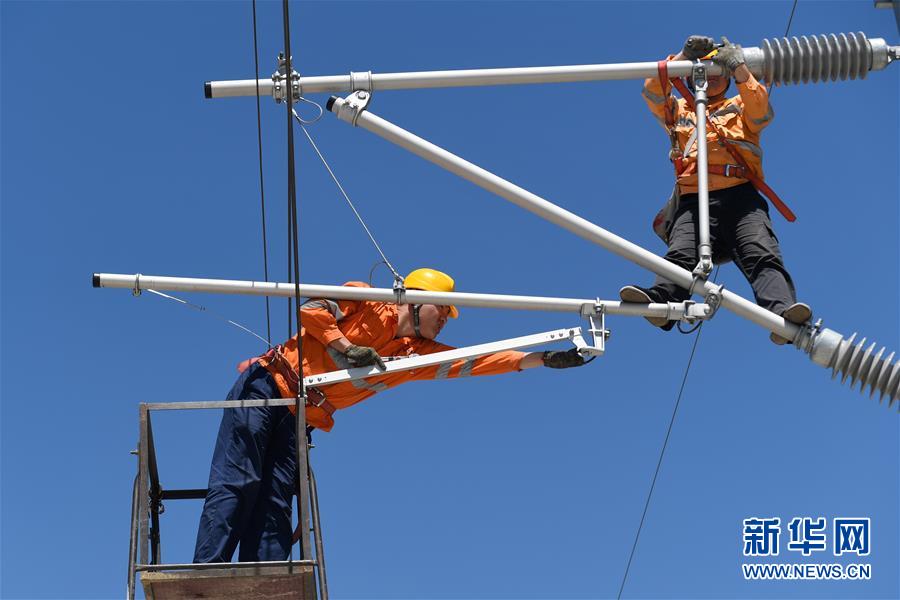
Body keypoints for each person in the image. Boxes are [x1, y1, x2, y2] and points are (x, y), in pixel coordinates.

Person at [193, 268, 587, 564]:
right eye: (442, 310)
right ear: (415, 300)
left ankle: (264, 582)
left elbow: (474, 361)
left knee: (275, 504)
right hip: (267, 387)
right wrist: (345, 347)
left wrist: (541, 359)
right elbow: (311, 309)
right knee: (240, 482)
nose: (444, 320)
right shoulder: (365, 299)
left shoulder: (415, 355)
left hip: (298, 419)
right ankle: (206, 574)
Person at [620, 35, 811, 344]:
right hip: (693, 198)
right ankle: (661, 301)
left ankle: (782, 313)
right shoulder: (680, 111)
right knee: (680, 253)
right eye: (705, 72)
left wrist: (739, 67)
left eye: (717, 73)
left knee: (760, 252)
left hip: (740, 195)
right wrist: (682, 56)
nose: (711, 79)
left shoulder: (739, 105)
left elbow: (761, 111)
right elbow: (653, 89)